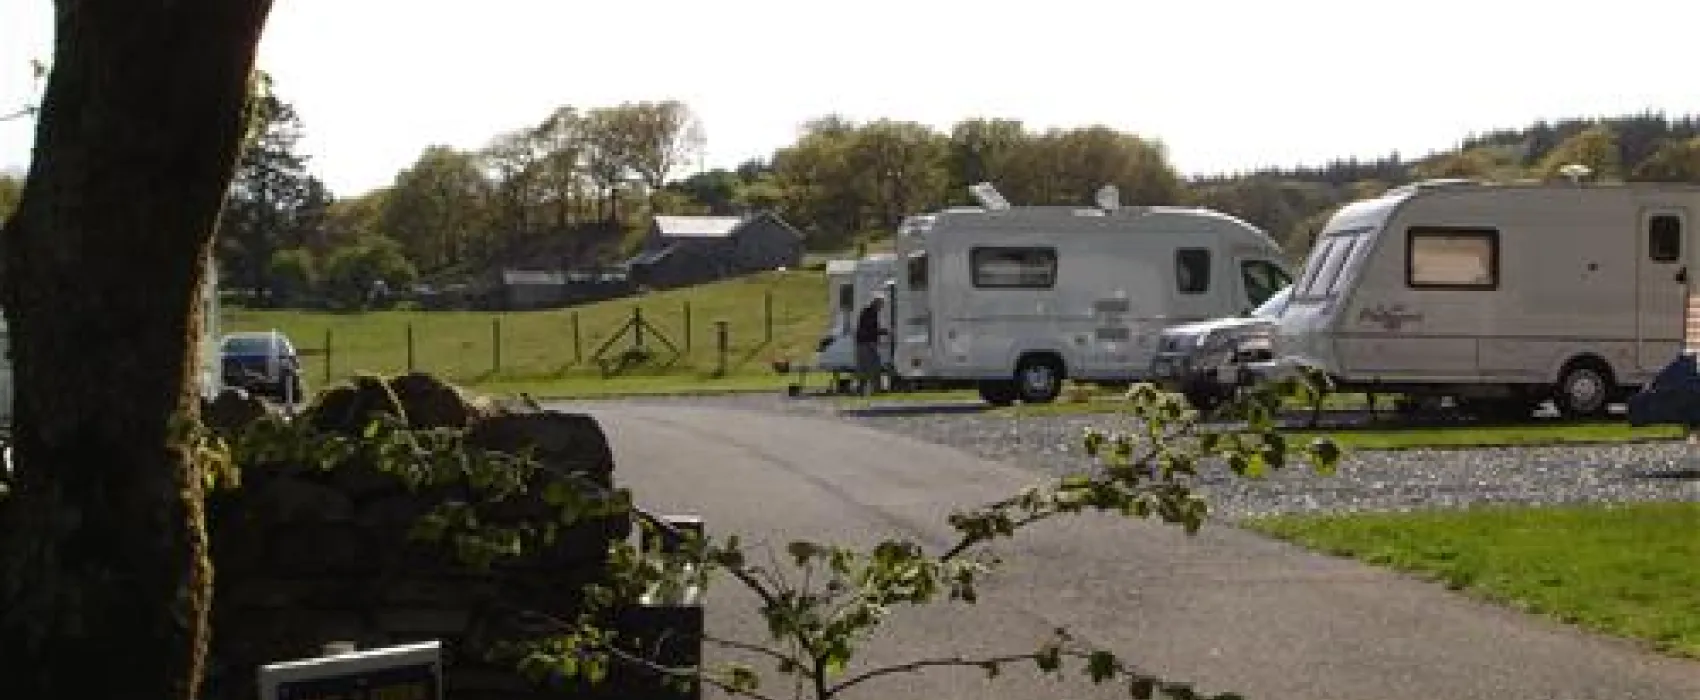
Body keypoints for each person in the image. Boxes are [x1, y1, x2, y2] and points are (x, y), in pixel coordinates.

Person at [854, 295, 888, 395]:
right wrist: (882, 331)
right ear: (876, 303)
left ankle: (864, 388)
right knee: (874, 365)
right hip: (866, 343)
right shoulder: (870, 313)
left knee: (864, 367)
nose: (881, 307)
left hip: (863, 342)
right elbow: (869, 329)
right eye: (881, 304)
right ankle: (874, 388)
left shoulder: (869, 312)